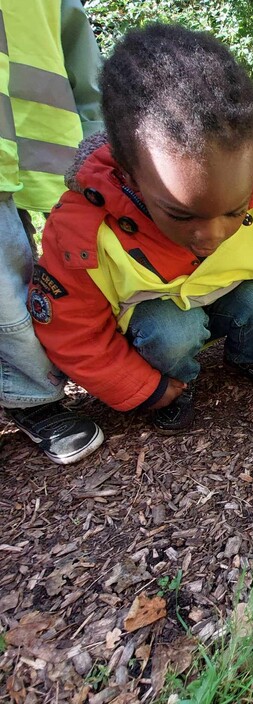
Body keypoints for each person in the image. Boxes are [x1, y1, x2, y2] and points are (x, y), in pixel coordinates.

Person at [28, 24, 253, 435]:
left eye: (232, 211)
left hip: (218, 297)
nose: (211, 235)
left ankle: (244, 359)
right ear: (132, 178)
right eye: (182, 215)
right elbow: (72, 331)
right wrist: (144, 389)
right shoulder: (83, 231)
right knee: (171, 330)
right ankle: (177, 385)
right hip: (153, 321)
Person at [1, 0, 104, 465]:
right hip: (36, 145)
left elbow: (74, 37)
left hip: (40, 143)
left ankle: (32, 390)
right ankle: (31, 392)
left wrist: (100, 141)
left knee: (18, 274)